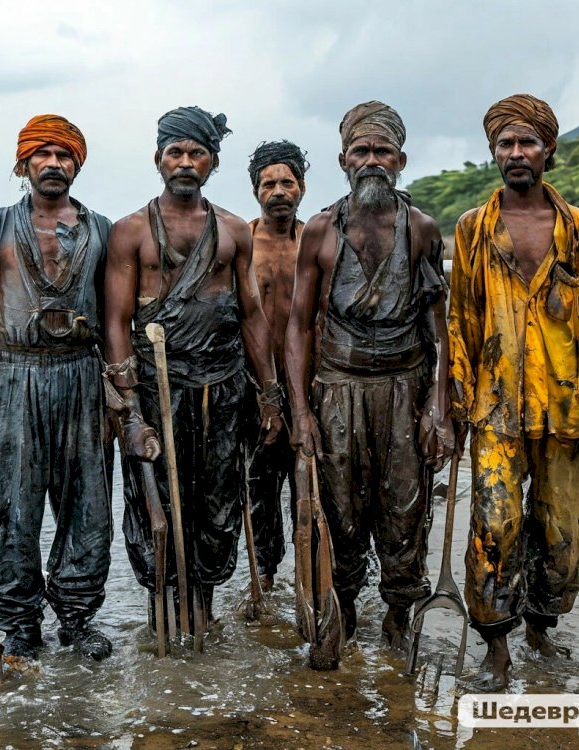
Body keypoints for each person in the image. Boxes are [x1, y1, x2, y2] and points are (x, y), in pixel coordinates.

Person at [447, 94, 579, 687]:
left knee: (562, 533)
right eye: (505, 144)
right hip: (495, 409)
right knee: (494, 525)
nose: (516, 153)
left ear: (548, 150)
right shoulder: (473, 228)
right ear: (493, 152)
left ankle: (543, 629)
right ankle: (496, 645)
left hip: (567, 408)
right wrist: (457, 406)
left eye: (527, 143)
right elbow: (460, 322)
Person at [0, 114, 114, 661]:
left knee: (87, 504)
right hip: (14, 377)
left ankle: (77, 618)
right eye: (44, 155)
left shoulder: (101, 229)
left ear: (77, 164)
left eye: (65, 156)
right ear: (24, 164)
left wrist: (120, 400)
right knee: (9, 508)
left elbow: (114, 320)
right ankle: (19, 623)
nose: (55, 164)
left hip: (83, 376)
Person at [104, 106, 282, 629]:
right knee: (154, 500)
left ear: (213, 161)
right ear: (157, 159)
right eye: (175, 152)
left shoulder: (232, 231)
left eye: (196, 153)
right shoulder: (130, 232)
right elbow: (116, 322)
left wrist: (268, 395)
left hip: (222, 388)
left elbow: (251, 315)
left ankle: (201, 602)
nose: (185, 162)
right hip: (159, 388)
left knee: (219, 501)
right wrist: (128, 408)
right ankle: (161, 604)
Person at [285, 101, 454, 647]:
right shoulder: (319, 231)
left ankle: (400, 616)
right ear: (343, 160)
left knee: (406, 508)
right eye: (362, 151)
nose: (372, 161)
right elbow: (298, 327)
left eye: (383, 151)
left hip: (404, 389)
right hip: (338, 388)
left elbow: (439, 329)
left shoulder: (421, 228)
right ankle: (345, 612)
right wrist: (301, 412)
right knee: (339, 508)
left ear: (401, 159)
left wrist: (439, 406)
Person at [246, 140, 309, 591]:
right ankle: (263, 578)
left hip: (310, 381)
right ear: (256, 191)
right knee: (257, 487)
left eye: (287, 182)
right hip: (255, 382)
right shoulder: (243, 242)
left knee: (309, 481)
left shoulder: (317, 240)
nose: (279, 191)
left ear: (302, 188)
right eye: (269, 183)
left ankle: (312, 575)